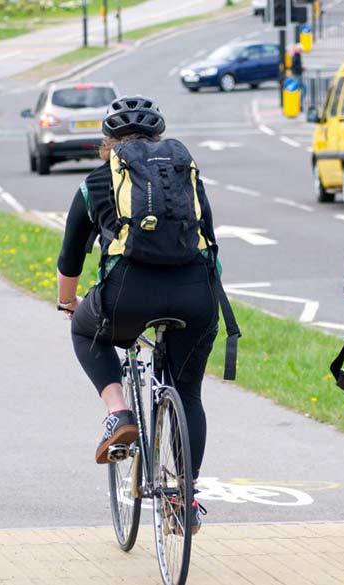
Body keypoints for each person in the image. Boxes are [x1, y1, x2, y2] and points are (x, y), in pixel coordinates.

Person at [56, 95, 224, 533]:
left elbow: (71, 256)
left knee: (82, 328)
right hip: (196, 293)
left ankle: (119, 413)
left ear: (106, 144)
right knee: (187, 394)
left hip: (130, 293)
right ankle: (184, 498)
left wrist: (68, 303)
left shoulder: (95, 182)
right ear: (160, 139)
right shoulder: (185, 175)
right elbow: (207, 235)